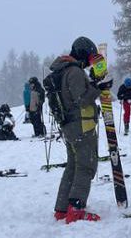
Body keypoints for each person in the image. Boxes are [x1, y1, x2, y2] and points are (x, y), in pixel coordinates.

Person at [50, 37, 103, 224]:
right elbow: (81, 99)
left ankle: (62, 208)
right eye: (89, 58)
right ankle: (76, 209)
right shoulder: (74, 71)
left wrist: (94, 83)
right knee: (86, 166)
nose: (89, 64)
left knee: (73, 166)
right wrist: (99, 87)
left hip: (70, 126)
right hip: (81, 125)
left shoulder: (64, 69)